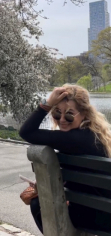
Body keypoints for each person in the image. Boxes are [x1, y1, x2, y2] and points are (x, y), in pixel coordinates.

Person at [19, 84, 111, 234]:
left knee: (37, 204)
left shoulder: (73, 139)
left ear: (84, 114)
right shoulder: (95, 135)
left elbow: (26, 132)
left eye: (69, 115)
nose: (62, 120)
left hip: (99, 217)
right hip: (104, 210)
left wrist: (47, 104)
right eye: (57, 113)